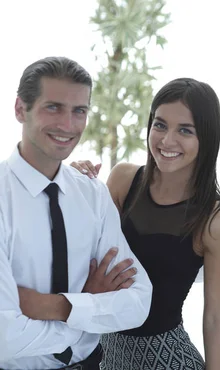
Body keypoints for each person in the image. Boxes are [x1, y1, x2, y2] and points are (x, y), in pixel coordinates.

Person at [70, 77, 220, 370]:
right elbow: (81, 253)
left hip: (167, 359)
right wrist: (73, 187)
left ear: (206, 138)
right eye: (160, 125)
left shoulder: (216, 222)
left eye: (185, 130)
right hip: (102, 353)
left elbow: (216, 316)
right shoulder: (123, 180)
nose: (167, 140)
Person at [0, 56, 153, 370]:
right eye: (53, 107)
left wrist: (58, 306)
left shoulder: (92, 193)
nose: (68, 125)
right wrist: (88, 309)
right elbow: (3, 335)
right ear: (20, 109)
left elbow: (138, 302)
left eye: (79, 111)